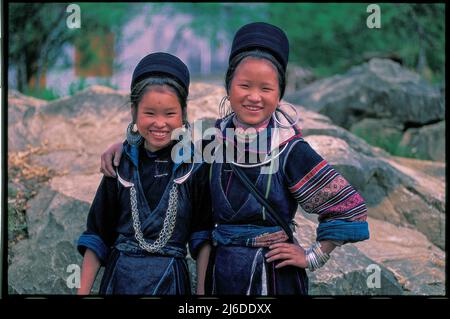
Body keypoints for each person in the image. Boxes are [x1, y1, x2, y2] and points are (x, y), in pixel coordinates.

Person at [100, 22, 370, 295]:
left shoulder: (289, 149)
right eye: (244, 85)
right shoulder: (212, 141)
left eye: (266, 88)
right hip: (223, 273)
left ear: (279, 94)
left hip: (273, 276)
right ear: (229, 87)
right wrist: (127, 145)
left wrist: (313, 256)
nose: (254, 97)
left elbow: (349, 208)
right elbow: (162, 147)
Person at [77, 52, 212, 295]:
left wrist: (202, 293)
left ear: (183, 113)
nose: (159, 123)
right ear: (133, 111)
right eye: (149, 113)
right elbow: (97, 235)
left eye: (170, 114)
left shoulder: (195, 167)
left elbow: (202, 236)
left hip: (171, 281)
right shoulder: (120, 164)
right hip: (120, 279)